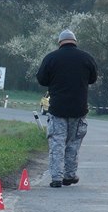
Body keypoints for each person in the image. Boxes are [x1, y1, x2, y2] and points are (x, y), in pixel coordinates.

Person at [36, 29, 97, 187]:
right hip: (79, 109)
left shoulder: (51, 58)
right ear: (75, 42)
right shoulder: (86, 58)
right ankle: (70, 175)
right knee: (73, 143)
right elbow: (93, 78)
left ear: (60, 43)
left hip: (58, 109)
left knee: (57, 143)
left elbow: (41, 79)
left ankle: (56, 178)